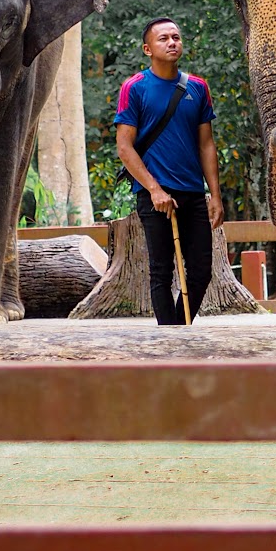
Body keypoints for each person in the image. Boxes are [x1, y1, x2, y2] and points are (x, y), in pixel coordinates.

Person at [115, 17, 224, 325]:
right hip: (154, 196)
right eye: (163, 39)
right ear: (148, 49)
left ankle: (178, 329)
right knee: (161, 271)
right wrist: (154, 189)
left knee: (201, 270)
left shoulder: (197, 87)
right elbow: (125, 147)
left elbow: (206, 144)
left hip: (192, 192)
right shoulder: (134, 88)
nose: (172, 42)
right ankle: (170, 335)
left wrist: (214, 195)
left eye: (176, 37)